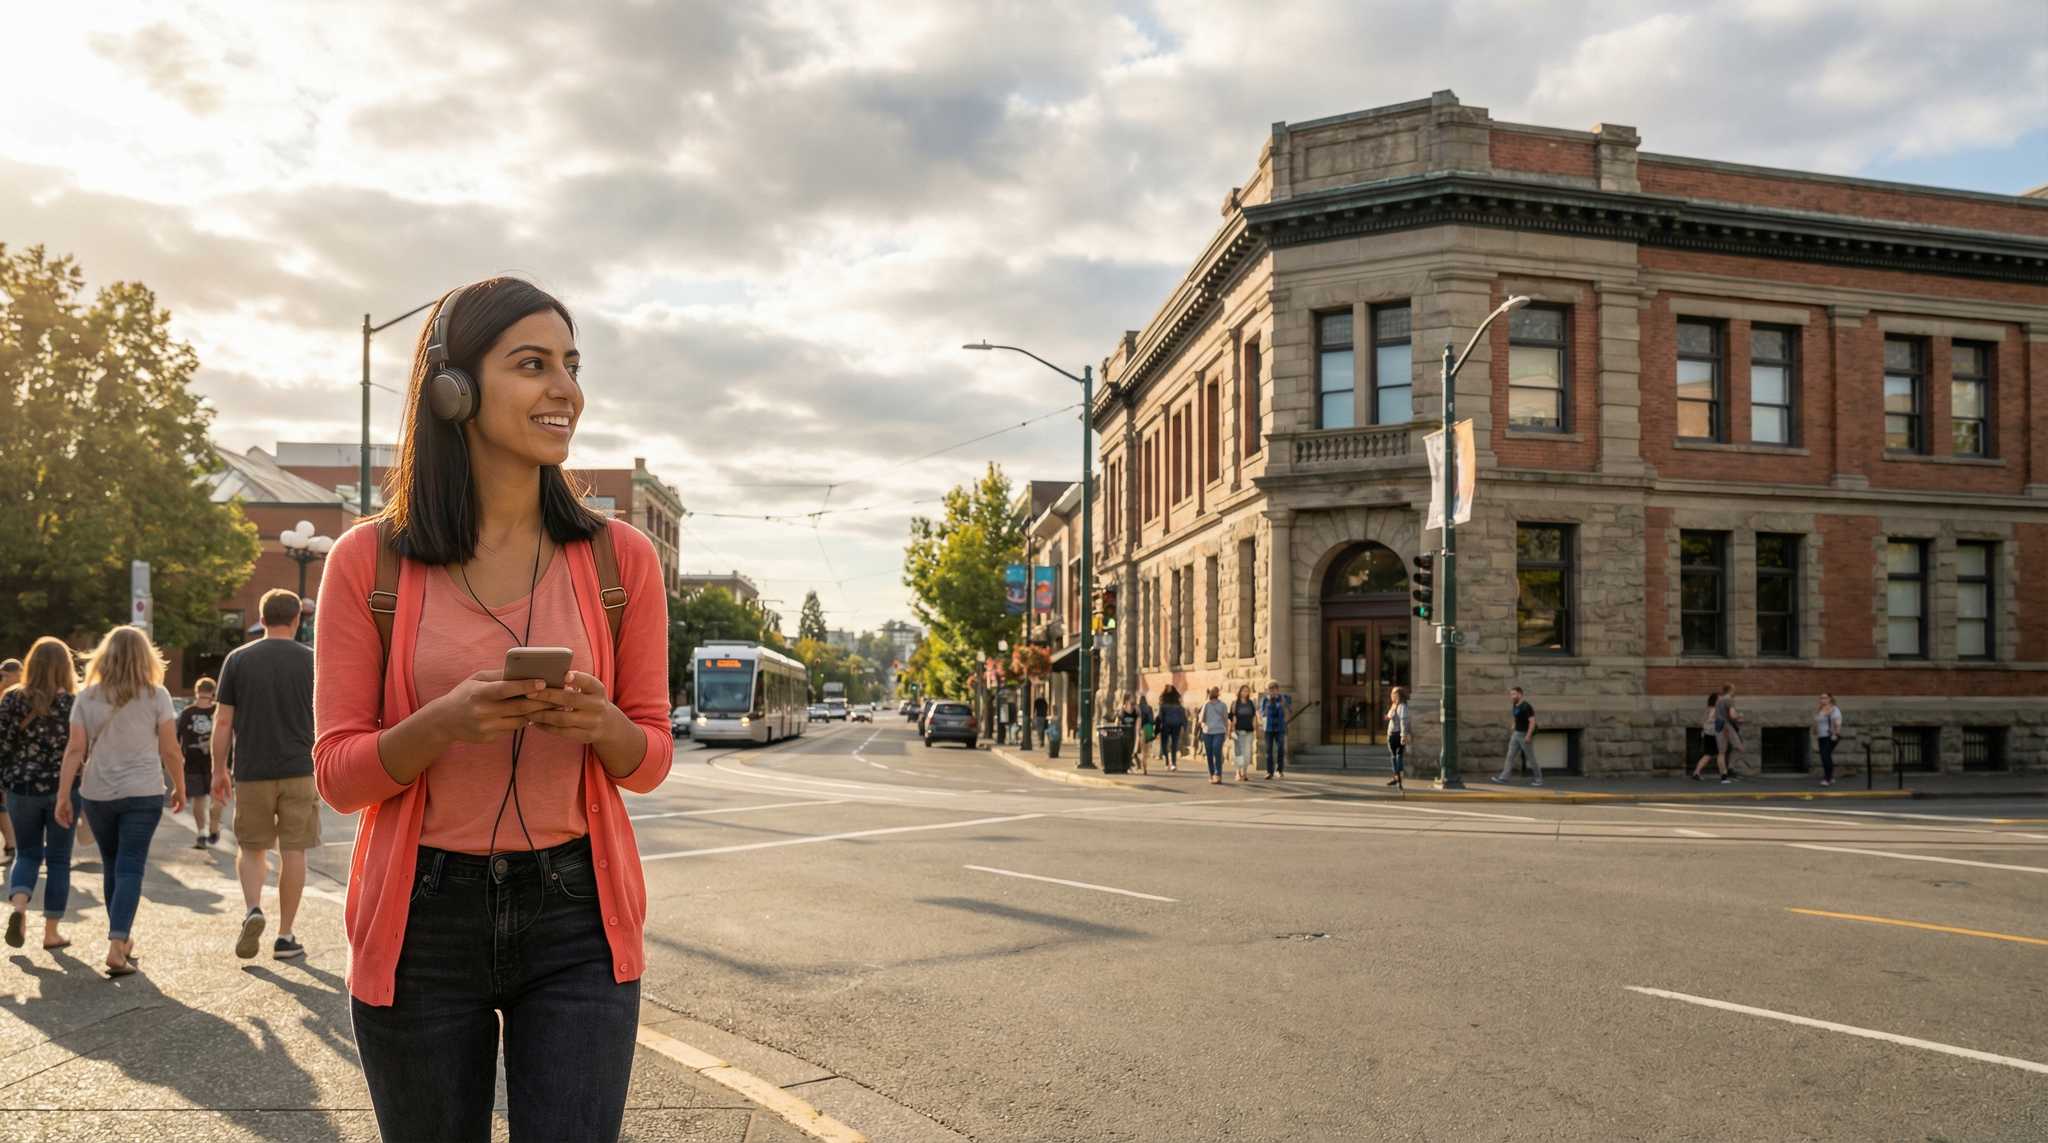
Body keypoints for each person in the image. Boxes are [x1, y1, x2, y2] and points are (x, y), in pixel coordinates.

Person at [313, 277, 674, 1142]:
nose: (566, 389)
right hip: (423, 917)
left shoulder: (623, 559)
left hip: (577, 911)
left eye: (572, 365)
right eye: (533, 364)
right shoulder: (369, 561)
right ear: (454, 389)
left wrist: (604, 727)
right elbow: (337, 774)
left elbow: (652, 755)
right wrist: (441, 724)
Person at [54, 625, 186, 976]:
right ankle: (117, 943)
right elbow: (170, 749)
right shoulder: (156, 695)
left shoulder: (87, 697)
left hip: (98, 792)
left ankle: (121, 940)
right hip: (143, 792)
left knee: (112, 863)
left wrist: (63, 794)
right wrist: (180, 786)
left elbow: (75, 750)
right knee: (130, 864)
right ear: (146, 657)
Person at [212, 590, 319, 960]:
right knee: (294, 851)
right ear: (296, 620)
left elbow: (223, 721)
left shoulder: (238, 659)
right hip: (301, 769)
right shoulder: (313, 661)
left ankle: (253, 908)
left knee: (252, 847)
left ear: (261, 617)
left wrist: (218, 769)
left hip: (251, 770)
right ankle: (285, 935)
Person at [0, 638, 82, 952]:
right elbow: (80, 748)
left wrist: (7, 779)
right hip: (64, 789)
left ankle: (19, 909)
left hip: (22, 789)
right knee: (59, 860)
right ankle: (51, 932)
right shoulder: (73, 703)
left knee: (27, 853)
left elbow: (3, 745)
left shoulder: (11, 699)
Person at [175, 677, 223, 848]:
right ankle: (214, 828)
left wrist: (178, 760)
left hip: (192, 761)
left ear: (196, 691)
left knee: (198, 799)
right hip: (216, 762)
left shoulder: (187, 713)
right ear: (213, 692)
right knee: (217, 797)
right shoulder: (218, 711)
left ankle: (201, 833)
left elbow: (177, 739)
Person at [1492, 686, 1540, 786]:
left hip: (1524, 735)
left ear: (1520, 694)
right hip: (1516, 734)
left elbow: (1532, 722)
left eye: (1514, 694)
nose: (1512, 696)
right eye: (1511, 694)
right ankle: (1504, 778)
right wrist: (1514, 724)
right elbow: (1515, 715)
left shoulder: (1526, 706)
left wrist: (1528, 735)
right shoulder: (1515, 704)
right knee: (1510, 756)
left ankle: (1538, 779)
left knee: (1531, 758)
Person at [0, 658, 17, 864]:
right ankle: (11, 844)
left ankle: (13, 845)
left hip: (14, 759)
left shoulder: (19, 696)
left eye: (5, 675)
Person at [1258, 681, 1291, 779]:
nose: (1272, 691)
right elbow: (1261, 712)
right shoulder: (1265, 700)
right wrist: (1261, 721)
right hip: (1269, 728)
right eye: (1270, 689)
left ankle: (1279, 770)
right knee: (1269, 751)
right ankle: (1269, 772)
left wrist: (1286, 721)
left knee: (1281, 749)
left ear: (1278, 690)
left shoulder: (1283, 698)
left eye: (1274, 689)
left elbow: (1289, 710)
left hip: (1280, 727)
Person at [1689, 692, 1724, 782]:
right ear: (1715, 700)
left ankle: (1696, 773)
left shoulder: (1708, 709)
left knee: (1709, 754)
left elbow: (1702, 722)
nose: (1721, 701)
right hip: (1713, 735)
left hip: (1707, 734)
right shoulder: (1715, 710)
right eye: (1719, 699)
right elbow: (1719, 721)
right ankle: (1723, 776)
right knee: (1717, 754)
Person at [1198, 687, 1229, 784]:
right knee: (1209, 754)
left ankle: (1218, 774)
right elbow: (1201, 719)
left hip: (1219, 731)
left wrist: (1226, 731)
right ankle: (1211, 774)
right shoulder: (1206, 704)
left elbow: (1225, 719)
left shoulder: (1223, 705)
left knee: (1216, 750)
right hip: (1207, 732)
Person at [1384, 686, 1411, 789]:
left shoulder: (1401, 706)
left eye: (1393, 694)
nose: (1391, 695)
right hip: (1393, 734)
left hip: (1396, 734)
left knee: (1396, 756)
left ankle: (1397, 776)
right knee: (1396, 756)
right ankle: (1398, 778)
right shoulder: (1395, 705)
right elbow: (1390, 716)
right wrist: (1387, 717)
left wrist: (1403, 735)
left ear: (1397, 695)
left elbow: (1403, 721)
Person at [1230, 685, 1257, 782]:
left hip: (1249, 730)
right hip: (1238, 731)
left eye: (1247, 691)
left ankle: (1244, 772)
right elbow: (1232, 718)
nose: (1245, 693)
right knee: (1239, 753)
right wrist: (1232, 730)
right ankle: (1238, 772)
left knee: (1247, 753)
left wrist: (1255, 727)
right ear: (1240, 692)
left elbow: (1254, 716)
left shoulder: (1251, 703)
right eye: (1244, 691)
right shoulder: (1235, 703)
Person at [1815, 694, 1843, 787]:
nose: (1822, 699)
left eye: (1825, 698)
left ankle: (1827, 779)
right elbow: (1818, 722)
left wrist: (1836, 733)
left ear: (1830, 699)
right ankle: (1830, 777)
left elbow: (1838, 722)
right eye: (1821, 698)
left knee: (1825, 756)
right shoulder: (1820, 709)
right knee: (1825, 757)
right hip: (1821, 736)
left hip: (1830, 736)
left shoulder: (1834, 709)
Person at [1156, 687, 1186, 771]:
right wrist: (1184, 727)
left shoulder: (1163, 705)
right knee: (1174, 745)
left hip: (1165, 726)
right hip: (1176, 726)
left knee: (1164, 744)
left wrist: (1157, 729)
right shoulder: (1179, 706)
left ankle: (1166, 762)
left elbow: (1160, 718)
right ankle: (1173, 763)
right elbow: (1183, 717)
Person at [1134, 692, 1155, 771]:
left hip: (1140, 729)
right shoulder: (1149, 708)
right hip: (1148, 729)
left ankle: (1140, 763)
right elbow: (1152, 720)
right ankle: (1144, 763)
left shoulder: (1137, 708)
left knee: (1138, 748)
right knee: (1146, 750)